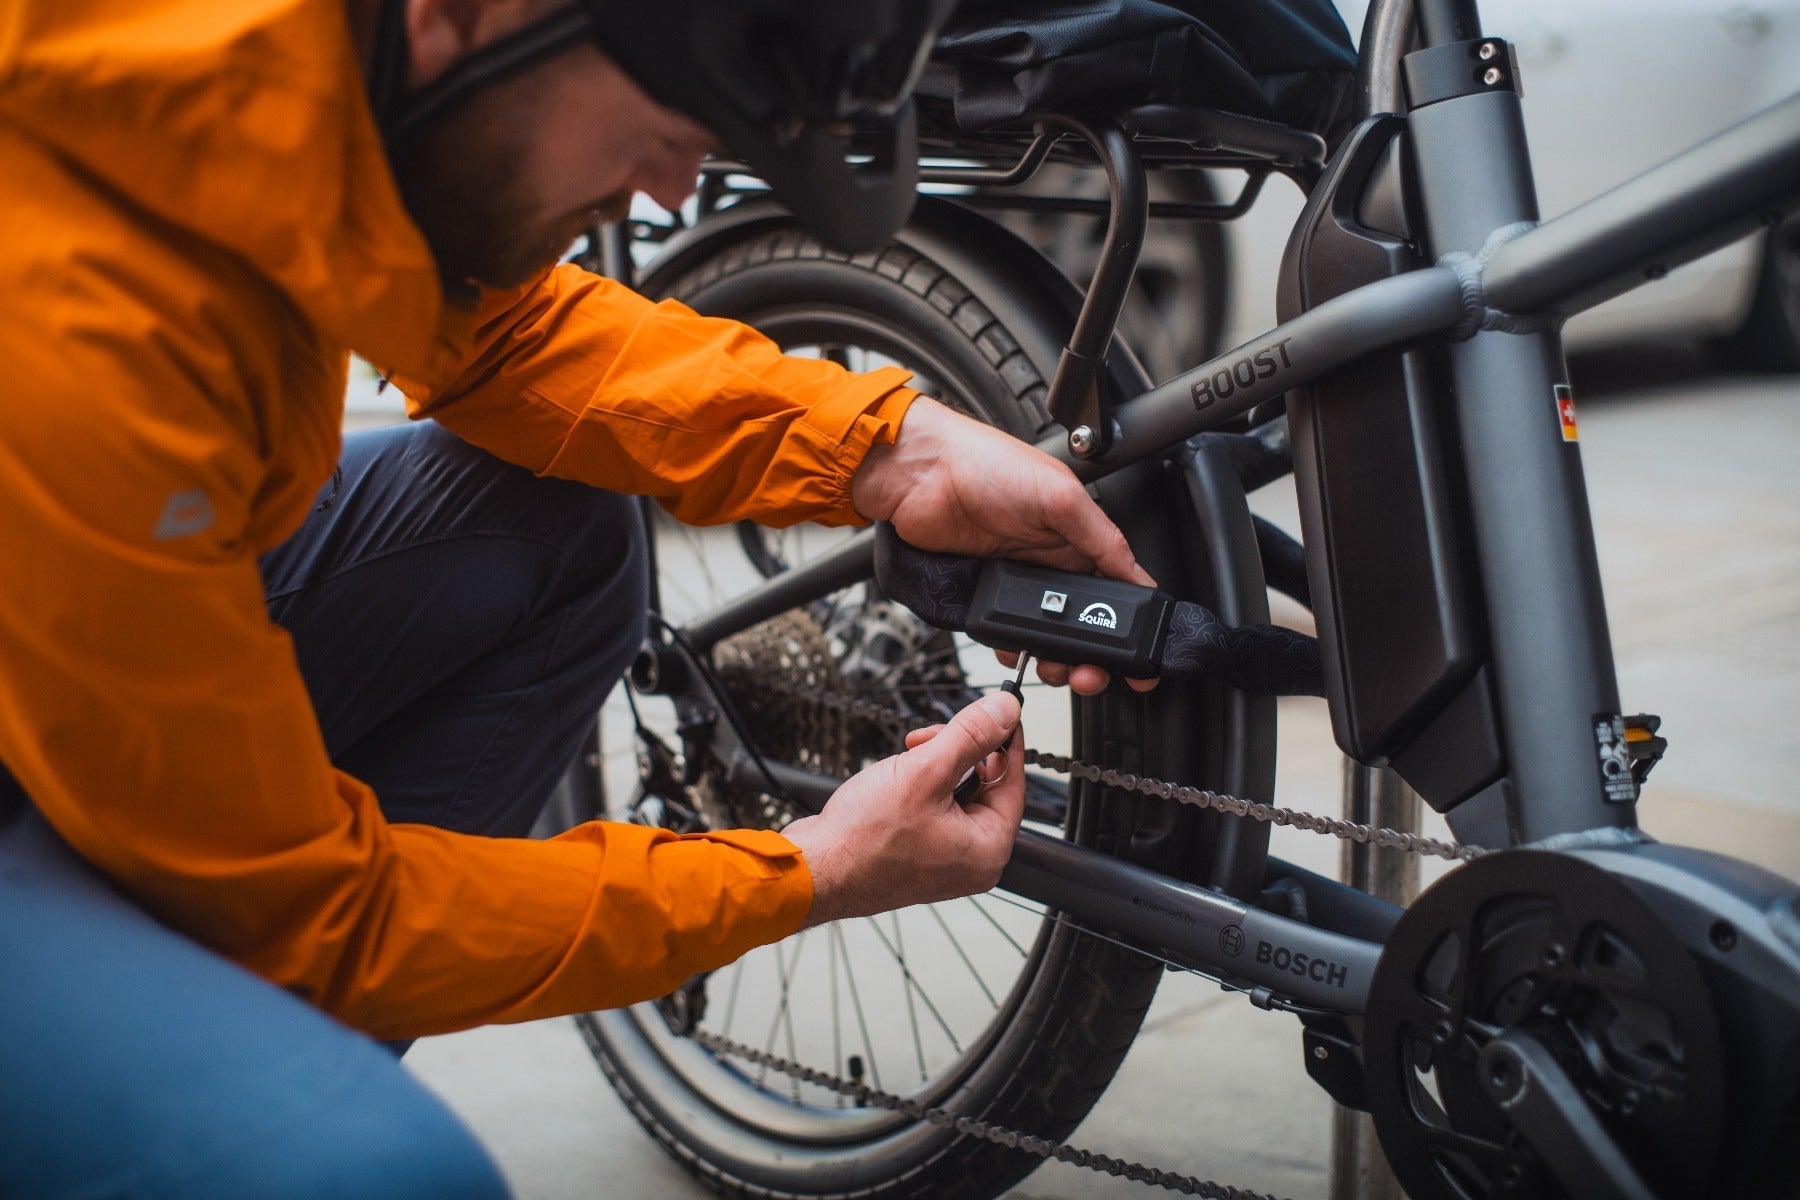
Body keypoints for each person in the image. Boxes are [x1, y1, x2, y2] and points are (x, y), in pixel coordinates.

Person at [0, 2, 1154, 1195]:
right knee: (375, 1172)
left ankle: (222, 1064)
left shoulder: (281, 75)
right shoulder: (73, 311)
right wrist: (807, 869)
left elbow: (498, 336)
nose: (666, 191)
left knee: (548, 520)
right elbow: (317, 913)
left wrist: (892, 450)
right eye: (665, 129)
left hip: (69, 617)